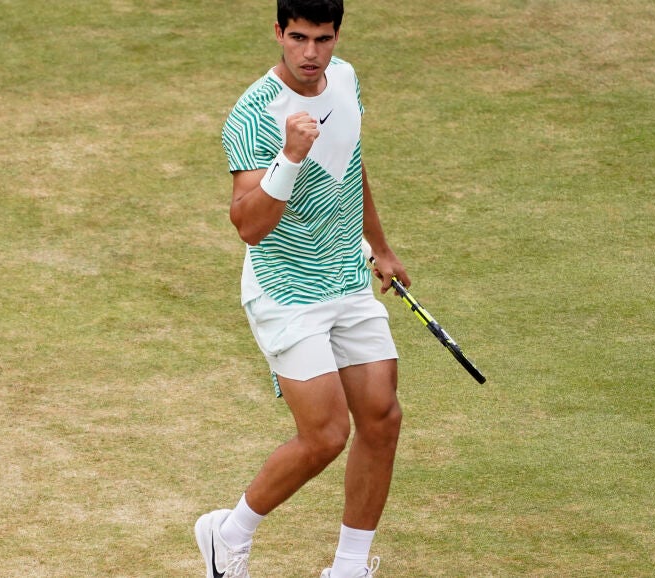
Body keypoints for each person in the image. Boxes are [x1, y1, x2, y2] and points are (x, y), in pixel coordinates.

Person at [194, 1, 411, 576]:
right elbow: (249, 226)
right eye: (298, 38)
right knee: (326, 435)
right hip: (286, 290)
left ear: (337, 36)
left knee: (382, 418)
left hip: (347, 277)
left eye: (322, 39)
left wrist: (380, 247)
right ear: (278, 33)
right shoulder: (253, 115)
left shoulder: (346, 79)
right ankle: (228, 533)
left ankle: (349, 568)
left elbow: (351, 163)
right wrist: (290, 155)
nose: (311, 53)